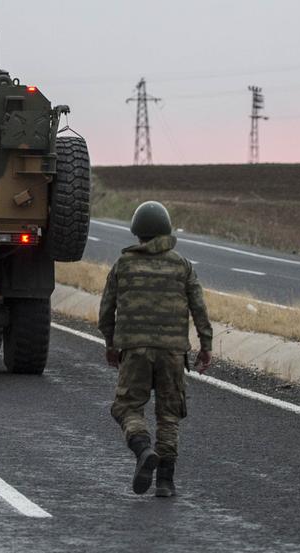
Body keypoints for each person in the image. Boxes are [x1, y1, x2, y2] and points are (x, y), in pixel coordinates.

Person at [98, 200, 213, 498]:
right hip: (173, 352)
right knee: (169, 415)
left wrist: (111, 344)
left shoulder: (123, 265)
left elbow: (106, 310)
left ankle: (143, 448)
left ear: (137, 232)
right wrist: (206, 346)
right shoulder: (182, 265)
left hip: (134, 350)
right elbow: (199, 308)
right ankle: (165, 481)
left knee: (127, 407)